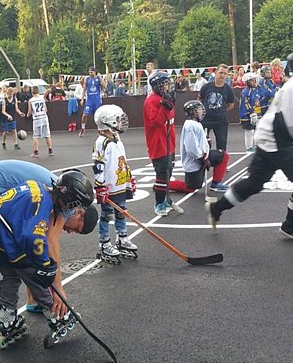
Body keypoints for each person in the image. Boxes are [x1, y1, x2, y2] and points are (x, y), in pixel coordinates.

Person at [0, 162, 90, 348]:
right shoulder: (55, 202)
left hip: (2, 219)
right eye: (77, 229)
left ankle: (10, 316)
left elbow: (37, 233)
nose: (70, 231)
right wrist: (53, 283)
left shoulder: (54, 191)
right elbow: (46, 241)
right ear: (77, 210)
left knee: (11, 266)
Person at [206, 49, 293, 241]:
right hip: (277, 141)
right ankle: (290, 226)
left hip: (269, 136)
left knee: (254, 183)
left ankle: (216, 208)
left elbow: (291, 122)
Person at [92, 104, 137, 264]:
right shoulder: (102, 142)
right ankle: (104, 243)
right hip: (109, 187)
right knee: (107, 215)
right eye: (117, 120)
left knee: (122, 212)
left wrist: (129, 179)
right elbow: (98, 165)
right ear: (108, 122)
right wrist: (100, 185)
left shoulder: (117, 140)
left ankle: (122, 238)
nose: (121, 123)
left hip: (120, 185)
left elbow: (123, 161)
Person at [169, 100, 229, 194]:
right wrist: (203, 158)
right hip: (195, 160)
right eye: (199, 110)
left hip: (202, 156)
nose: (201, 112)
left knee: (223, 156)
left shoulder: (196, 123)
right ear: (193, 112)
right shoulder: (190, 126)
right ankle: (164, 185)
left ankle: (216, 183)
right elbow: (191, 148)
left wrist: (206, 142)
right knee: (191, 188)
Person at [144, 72, 182, 216]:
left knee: (169, 172)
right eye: (165, 83)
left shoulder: (163, 98)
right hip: (159, 144)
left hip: (169, 142)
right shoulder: (152, 100)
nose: (167, 86)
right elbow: (156, 122)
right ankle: (159, 203)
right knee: (162, 174)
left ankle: (165, 200)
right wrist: (165, 107)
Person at [198, 64, 235, 155]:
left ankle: (222, 166)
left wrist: (221, 110)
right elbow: (200, 99)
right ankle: (201, 163)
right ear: (215, 73)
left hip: (220, 121)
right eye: (220, 73)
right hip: (205, 119)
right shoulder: (206, 87)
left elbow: (231, 105)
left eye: (225, 74)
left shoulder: (229, 90)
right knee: (202, 143)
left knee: (222, 144)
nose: (222, 75)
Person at [79, 66, 107, 137]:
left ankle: (99, 129)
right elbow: (84, 89)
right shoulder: (87, 79)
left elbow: (105, 85)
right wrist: (82, 99)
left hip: (97, 100)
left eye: (91, 72)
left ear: (95, 72)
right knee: (85, 115)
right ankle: (83, 128)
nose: (90, 73)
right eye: (89, 72)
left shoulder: (98, 78)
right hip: (89, 101)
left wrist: (100, 77)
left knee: (98, 116)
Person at [239, 72, 263, 152]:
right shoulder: (246, 91)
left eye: (255, 80)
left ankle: (257, 145)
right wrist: (251, 113)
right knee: (250, 131)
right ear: (247, 82)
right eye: (252, 80)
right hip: (247, 115)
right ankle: (249, 147)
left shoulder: (255, 90)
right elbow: (246, 103)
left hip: (256, 113)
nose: (254, 82)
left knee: (257, 130)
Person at [27, 85, 53, 157]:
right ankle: (50, 150)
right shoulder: (42, 99)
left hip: (36, 119)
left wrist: (27, 115)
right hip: (44, 117)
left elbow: (30, 111)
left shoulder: (31, 100)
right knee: (47, 135)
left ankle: (36, 152)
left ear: (32, 92)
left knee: (35, 136)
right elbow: (46, 109)